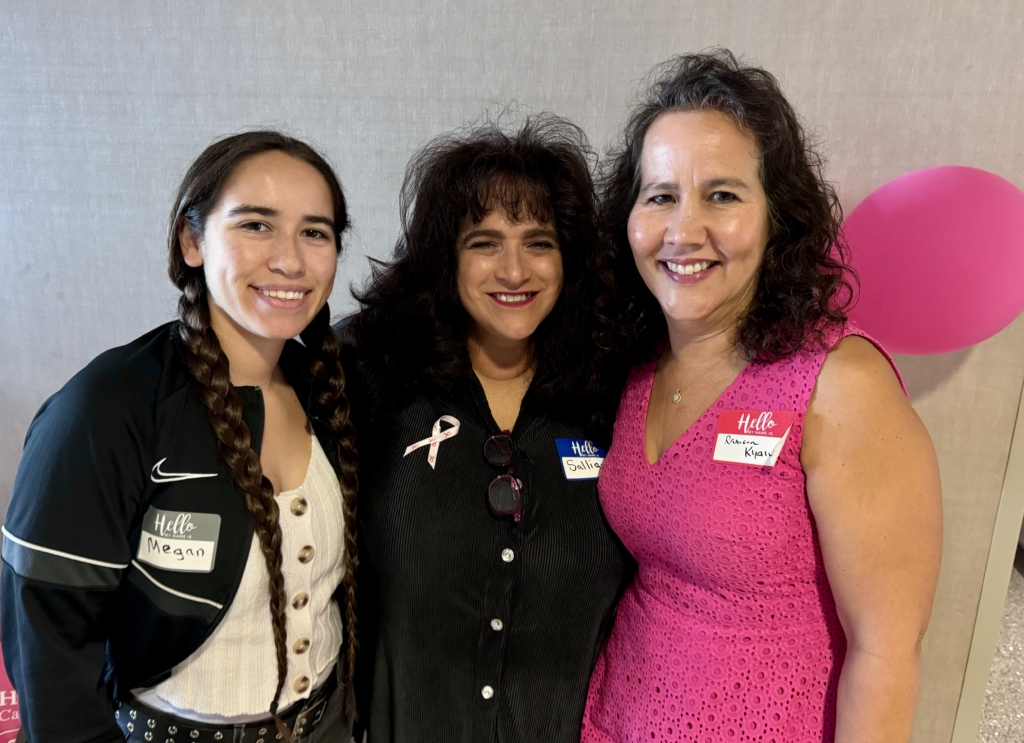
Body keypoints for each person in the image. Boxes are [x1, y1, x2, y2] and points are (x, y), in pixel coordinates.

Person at [580, 51, 943, 743]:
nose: (684, 231)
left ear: (777, 216)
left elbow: (887, 652)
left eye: (722, 195)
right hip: (614, 719)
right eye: (660, 196)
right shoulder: (636, 364)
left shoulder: (839, 383)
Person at [1, 131, 359, 742]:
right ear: (192, 241)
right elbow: (49, 648)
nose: (291, 260)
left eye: (315, 232)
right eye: (256, 225)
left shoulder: (331, 391)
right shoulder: (107, 407)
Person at [340, 115, 631, 742]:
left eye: (539, 242)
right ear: (446, 257)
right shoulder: (372, 381)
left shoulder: (615, 397)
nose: (514, 271)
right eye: (485, 243)